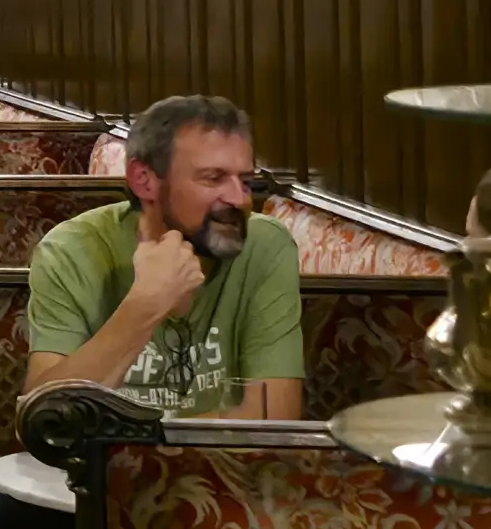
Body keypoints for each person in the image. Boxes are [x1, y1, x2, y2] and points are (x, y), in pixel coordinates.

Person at [26, 94, 303, 421]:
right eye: (213, 178)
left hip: (219, 471)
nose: (238, 199)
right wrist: (146, 303)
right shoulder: (71, 250)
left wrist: (120, 437)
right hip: (96, 473)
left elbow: (275, 418)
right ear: (144, 180)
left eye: (245, 181)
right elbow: (44, 421)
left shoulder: (266, 246)